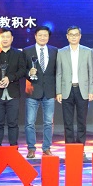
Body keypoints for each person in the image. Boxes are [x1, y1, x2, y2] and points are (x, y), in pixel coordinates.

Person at [0, 27, 27, 152]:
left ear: (12, 39)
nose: (5, 39)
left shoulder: (18, 54)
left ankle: (14, 150)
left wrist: (10, 78)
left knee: (13, 123)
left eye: (7, 37)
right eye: (2, 37)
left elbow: (22, 70)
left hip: (13, 94)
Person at [56, 25, 93, 161]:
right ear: (67, 36)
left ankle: (80, 148)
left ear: (80, 36)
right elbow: (58, 73)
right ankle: (70, 149)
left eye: (76, 34)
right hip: (67, 90)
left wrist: (91, 90)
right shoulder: (61, 52)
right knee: (68, 122)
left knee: (81, 121)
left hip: (82, 90)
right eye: (71, 34)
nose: (73, 37)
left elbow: (91, 72)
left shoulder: (88, 51)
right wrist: (58, 91)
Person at [23, 25, 58, 158]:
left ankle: (46, 148)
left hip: (49, 91)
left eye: (45, 35)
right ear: (35, 36)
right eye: (40, 35)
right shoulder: (27, 51)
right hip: (32, 91)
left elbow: (57, 71)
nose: (43, 37)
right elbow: (22, 69)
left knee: (48, 122)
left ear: (48, 37)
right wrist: (29, 73)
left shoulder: (55, 51)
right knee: (30, 122)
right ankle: (31, 148)